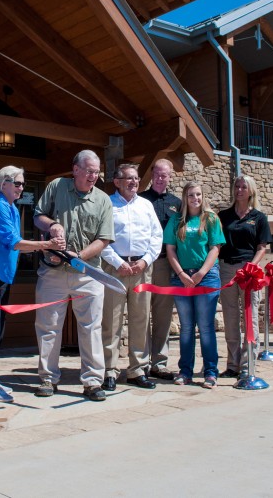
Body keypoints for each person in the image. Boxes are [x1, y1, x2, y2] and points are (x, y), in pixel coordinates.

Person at [0, 166, 65, 403]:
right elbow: (14, 243)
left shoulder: (12, 208)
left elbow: (18, 243)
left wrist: (46, 246)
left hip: (2, 275)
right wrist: (46, 246)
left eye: (23, 184)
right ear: (3, 183)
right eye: (17, 183)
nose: (21, 188)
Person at [34, 149, 114, 402]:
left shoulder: (103, 200)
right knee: (48, 326)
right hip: (53, 272)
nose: (94, 176)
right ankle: (48, 378)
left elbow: (103, 239)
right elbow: (38, 217)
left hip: (88, 273)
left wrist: (76, 256)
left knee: (91, 328)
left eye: (97, 172)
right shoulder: (57, 186)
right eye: (89, 171)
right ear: (75, 169)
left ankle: (92, 382)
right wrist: (52, 225)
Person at [101, 164, 163, 391]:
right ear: (117, 181)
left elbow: (157, 236)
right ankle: (109, 370)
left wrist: (145, 260)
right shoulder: (107, 203)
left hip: (141, 268)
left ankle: (138, 370)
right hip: (114, 268)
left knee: (140, 320)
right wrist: (118, 262)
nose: (134, 182)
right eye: (129, 178)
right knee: (111, 320)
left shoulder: (146, 205)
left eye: (136, 179)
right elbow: (101, 237)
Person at [164, 181, 225, 389]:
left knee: (206, 327)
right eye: (191, 195)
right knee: (187, 327)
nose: (195, 198)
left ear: (202, 196)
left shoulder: (211, 219)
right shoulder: (175, 220)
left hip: (206, 277)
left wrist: (201, 273)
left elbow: (215, 248)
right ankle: (185, 371)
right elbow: (171, 250)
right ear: (185, 197)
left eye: (198, 194)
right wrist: (181, 273)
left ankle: (210, 372)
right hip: (182, 278)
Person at [218, 174, 272, 379]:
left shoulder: (259, 217)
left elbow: (262, 247)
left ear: (251, 191)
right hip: (226, 269)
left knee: (250, 320)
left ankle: (247, 364)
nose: (239, 190)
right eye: (237, 186)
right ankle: (232, 365)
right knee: (230, 318)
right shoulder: (224, 216)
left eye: (243, 187)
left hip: (249, 271)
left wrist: (251, 266)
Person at [140, 158, 181, 380]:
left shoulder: (177, 203)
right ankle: (141, 363)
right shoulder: (141, 199)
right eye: (156, 173)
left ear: (170, 176)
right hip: (145, 263)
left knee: (163, 315)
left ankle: (160, 363)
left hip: (166, 264)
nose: (159, 178)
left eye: (164, 174)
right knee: (141, 313)